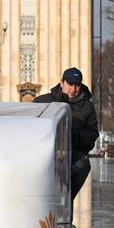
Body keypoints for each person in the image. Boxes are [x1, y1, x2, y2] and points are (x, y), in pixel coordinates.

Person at [34, 67, 99, 200]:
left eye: (77, 85)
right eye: (70, 84)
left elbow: (92, 133)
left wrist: (77, 137)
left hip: (72, 154)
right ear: (62, 83)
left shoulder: (87, 106)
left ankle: (66, 200)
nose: (73, 89)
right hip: (43, 153)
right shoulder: (43, 102)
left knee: (83, 164)